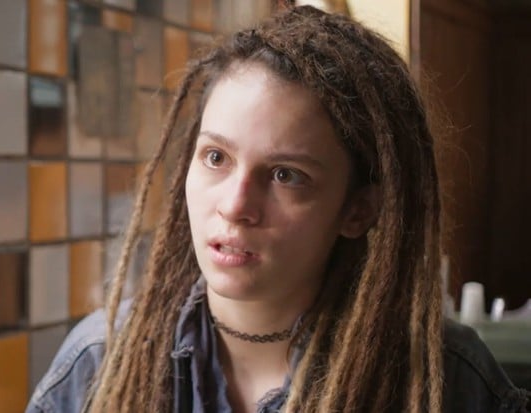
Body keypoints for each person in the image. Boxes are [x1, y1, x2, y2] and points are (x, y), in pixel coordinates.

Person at [27, 5, 529, 413]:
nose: (236, 205)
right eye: (216, 157)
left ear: (358, 210)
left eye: (286, 175)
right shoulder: (101, 362)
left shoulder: (447, 382)